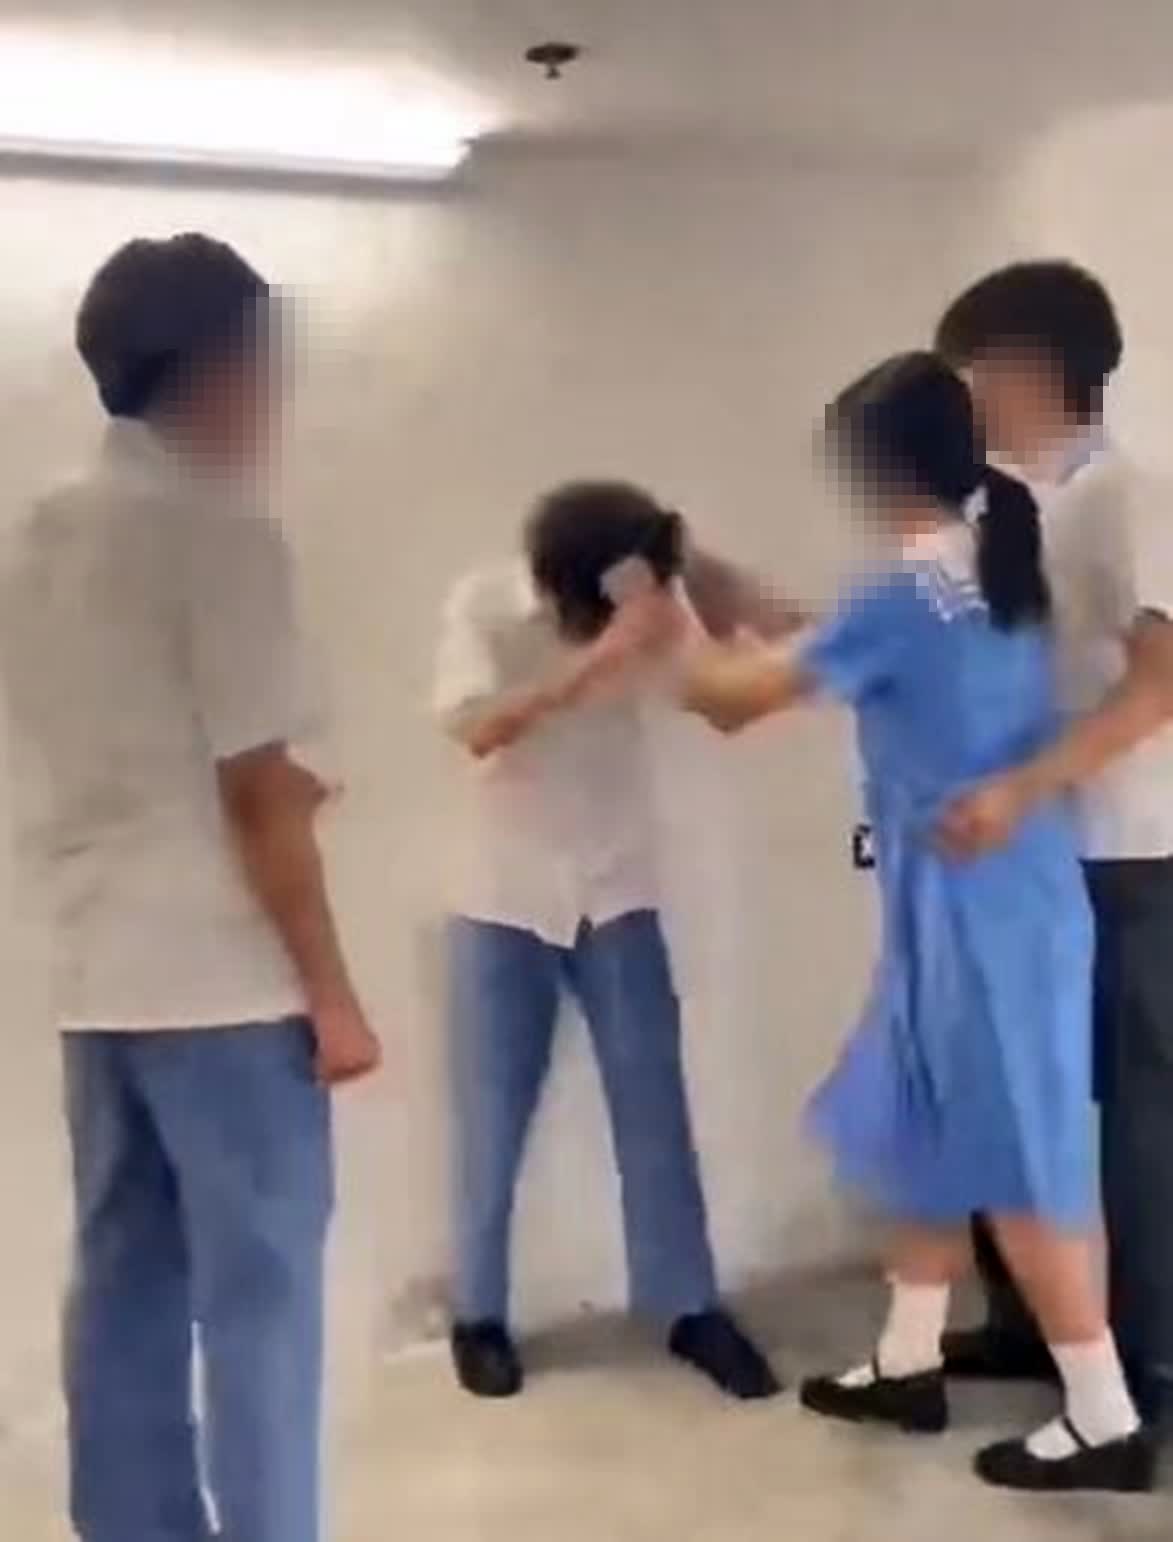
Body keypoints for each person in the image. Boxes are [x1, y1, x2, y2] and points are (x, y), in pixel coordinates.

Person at [682, 353, 1151, 1492]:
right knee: (925, 1120)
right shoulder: (993, 568)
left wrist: (653, 635)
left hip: (973, 903)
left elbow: (730, 701)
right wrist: (726, 594)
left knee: (1013, 1151)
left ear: (870, 470)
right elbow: (848, 655)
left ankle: (1103, 1415)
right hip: (995, 893)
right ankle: (907, 1358)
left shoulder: (901, 596)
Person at [0, 235, 381, 1542]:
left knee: (125, 1283)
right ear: (219, 368)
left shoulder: (39, 532)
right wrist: (334, 997)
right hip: (224, 983)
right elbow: (256, 792)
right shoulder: (220, 532)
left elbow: (119, 745)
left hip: (97, 976)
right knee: (263, 1305)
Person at [432, 480, 792, 1402]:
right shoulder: (483, 604)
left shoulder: (648, 596)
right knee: (489, 1120)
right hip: (503, 898)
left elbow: (730, 699)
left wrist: (705, 589)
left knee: (653, 1107)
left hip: (619, 888)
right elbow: (476, 727)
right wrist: (600, 659)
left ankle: (686, 1306)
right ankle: (477, 1315)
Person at [934, 262, 1173, 1438]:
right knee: (1023, 1100)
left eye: (972, 377)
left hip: (1130, 854)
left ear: (1030, 370)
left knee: (1130, 1118)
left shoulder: (1136, 499)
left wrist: (1024, 785)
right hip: (1030, 856)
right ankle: (1035, 1325)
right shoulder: (1012, 510)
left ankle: (1146, 1368)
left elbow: (1162, 684)